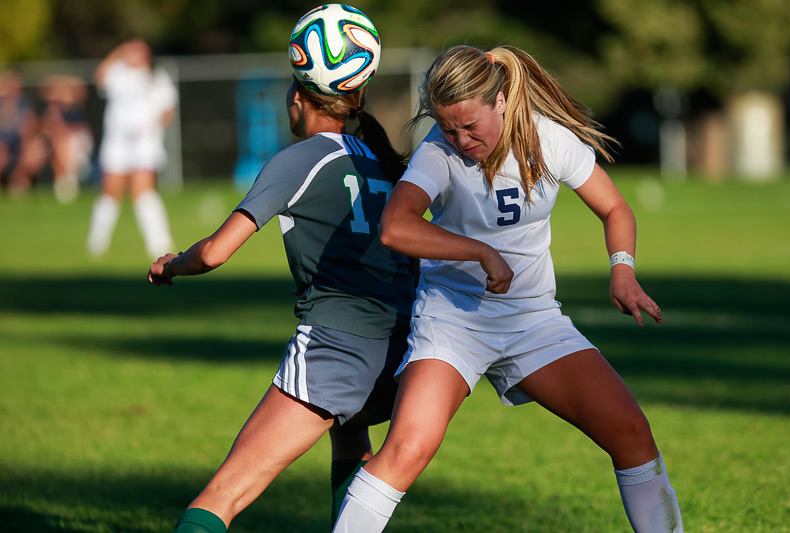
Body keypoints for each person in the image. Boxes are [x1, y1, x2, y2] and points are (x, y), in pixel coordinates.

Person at [333, 45, 684, 533]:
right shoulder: (439, 151)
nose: (461, 139)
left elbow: (615, 209)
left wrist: (622, 268)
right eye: (449, 127)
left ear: (501, 100)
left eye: (470, 125)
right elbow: (395, 227)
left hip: (534, 321)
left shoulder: (549, 139)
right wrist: (479, 251)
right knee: (406, 451)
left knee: (632, 434)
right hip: (451, 321)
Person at [148, 69, 416, 533]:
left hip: (336, 352)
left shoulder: (300, 159)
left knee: (222, 496)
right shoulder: (381, 162)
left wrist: (171, 265)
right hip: (400, 358)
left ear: (301, 97)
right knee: (350, 434)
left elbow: (214, 252)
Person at [87, 39, 176, 259]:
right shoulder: (117, 73)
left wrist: (152, 127)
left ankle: (159, 243)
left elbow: (168, 110)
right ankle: (97, 242)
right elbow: (98, 78)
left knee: (143, 193)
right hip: (117, 143)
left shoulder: (157, 78)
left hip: (145, 144)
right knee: (110, 192)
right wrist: (118, 52)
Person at [38, 74, 94, 204]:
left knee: (62, 143)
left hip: (76, 141)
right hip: (58, 141)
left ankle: (68, 180)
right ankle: (62, 181)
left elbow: (81, 129)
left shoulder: (76, 108)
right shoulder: (51, 109)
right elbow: (46, 129)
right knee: (53, 144)